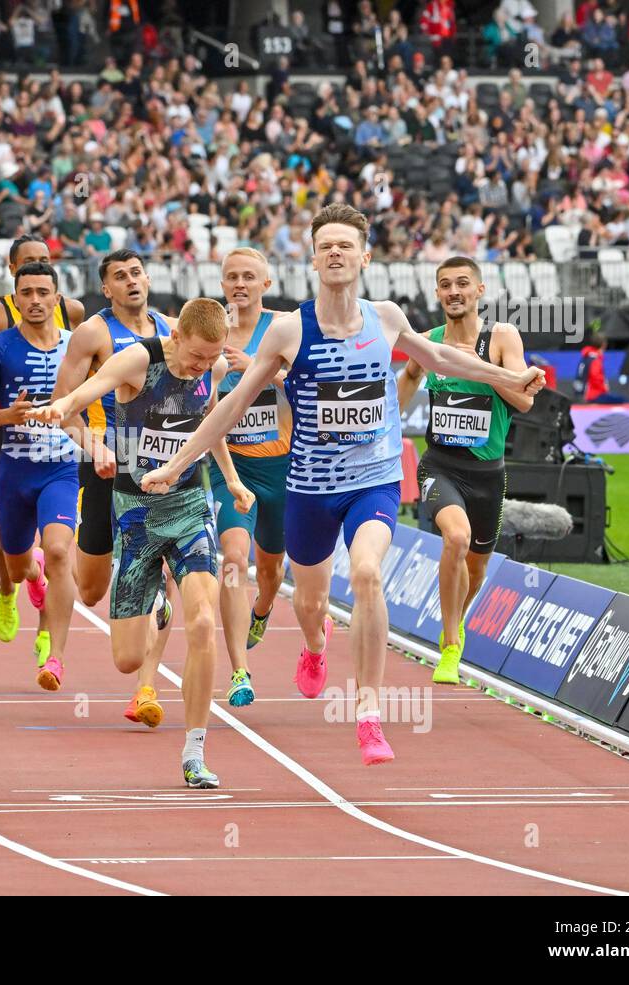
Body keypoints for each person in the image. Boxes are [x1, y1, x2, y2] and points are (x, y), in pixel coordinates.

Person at [140, 204, 544, 766]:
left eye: (345, 245)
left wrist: (508, 376)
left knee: (368, 573)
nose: (335, 253)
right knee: (309, 603)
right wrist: (176, 462)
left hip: (373, 482)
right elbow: (230, 405)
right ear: (312, 258)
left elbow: (446, 360)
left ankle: (370, 715)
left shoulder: (387, 318)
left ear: (364, 257)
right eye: (325, 245)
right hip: (310, 486)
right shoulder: (290, 329)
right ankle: (312, 646)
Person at [32, 298, 255, 789]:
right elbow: (93, 387)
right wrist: (63, 406)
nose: (202, 367)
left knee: (202, 620)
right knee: (127, 659)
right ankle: (151, 593)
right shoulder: (139, 358)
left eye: (211, 358)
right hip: (134, 513)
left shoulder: (212, 367)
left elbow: (211, 422)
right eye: (196, 358)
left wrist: (233, 480)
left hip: (189, 506)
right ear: (176, 339)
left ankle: (195, 750)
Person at [50, 248, 176, 726]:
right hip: (106, 465)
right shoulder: (93, 333)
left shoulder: (170, 329)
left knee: (160, 574)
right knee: (90, 590)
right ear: (106, 288)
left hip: (158, 471)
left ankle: (146, 687)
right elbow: (66, 402)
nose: (131, 282)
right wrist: (94, 446)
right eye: (120, 277)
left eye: (137, 273)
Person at [396, 257, 534, 684]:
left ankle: (451, 620)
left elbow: (524, 402)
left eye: (462, 284)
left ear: (479, 290)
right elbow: (409, 378)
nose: (453, 291)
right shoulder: (427, 341)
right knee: (455, 537)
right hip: (440, 465)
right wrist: (381, 426)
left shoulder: (501, 337)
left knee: (475, 570)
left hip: (488, 474)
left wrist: (473, 366)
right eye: (444, 285)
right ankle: (451, 643)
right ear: (437, 294)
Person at [0, 235, 86, 664]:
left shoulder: (80, 342)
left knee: (58, 550)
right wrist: (7, 416)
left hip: (62, 467)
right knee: (17, 564)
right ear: (15, 294)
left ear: (57, 297)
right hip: (13, 468)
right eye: (26, 292)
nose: (34, 300)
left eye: (42, 292)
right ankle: (22, 583)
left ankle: (54, 651)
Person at [213, 249, 293, 707]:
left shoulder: (284, 328)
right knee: (232, 560)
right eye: (231, 277)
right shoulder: (210, 329)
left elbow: (307, 384)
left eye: (249, 277)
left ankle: (262, 609)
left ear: (266, 282)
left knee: (270, 570)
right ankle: (240, 671)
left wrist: (260, 369)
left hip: (280, 466)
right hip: (232, 467)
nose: (239, 284)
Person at [574, 331, 622, 403]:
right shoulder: (595, 359)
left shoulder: (586, 357)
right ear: (604, 344)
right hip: (594, 395)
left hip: (583, 394)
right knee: (624, 401)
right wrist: (604, 388)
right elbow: (595, 377)